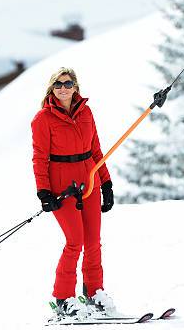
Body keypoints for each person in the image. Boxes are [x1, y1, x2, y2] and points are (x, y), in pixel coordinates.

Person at [31, 67, 116, 319]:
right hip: (63, 186)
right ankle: (63, 298)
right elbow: (39, 158)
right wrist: (44, 191)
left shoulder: (86, 112)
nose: (63, 88)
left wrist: (107, 183)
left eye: (68, 84)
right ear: (51, 88)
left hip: (89, 179)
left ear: (75, 87)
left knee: (92, 242)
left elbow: (97, 150)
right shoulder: (42, 119)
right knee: (74, 241)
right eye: (58, 84)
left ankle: (94, 293)